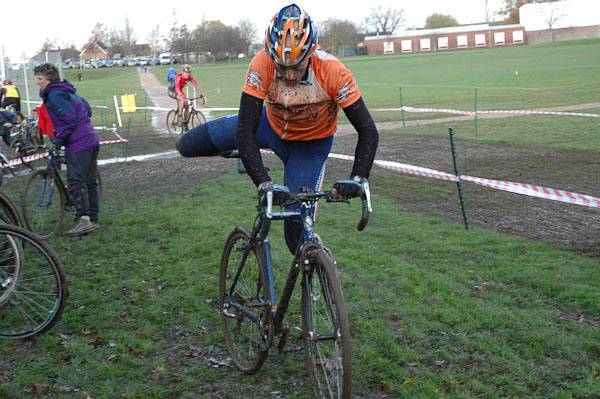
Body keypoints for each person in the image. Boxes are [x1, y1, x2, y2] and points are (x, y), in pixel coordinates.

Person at [177, 3, 379, 254]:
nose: (291, 75)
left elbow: (368, 130)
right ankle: (245, 154)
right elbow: (245, 129)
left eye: (298, 66)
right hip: (268, 127)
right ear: (270, 53)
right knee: (187, 146)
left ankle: (248, 154)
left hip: (310, 149)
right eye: (282, 67)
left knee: (296, 241)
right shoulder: (261, 64)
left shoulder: (333, 72)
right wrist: (262, 180)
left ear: (312, 52)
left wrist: (359, 177)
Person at [33, 63, 101, 237]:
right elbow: (87, 109)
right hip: (91, 138)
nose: (37, 83)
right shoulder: (68, 90)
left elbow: (69, 118)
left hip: (79, 143)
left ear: (49, 79)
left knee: (76, 182)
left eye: (39, 79)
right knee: (89, 182)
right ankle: (93, 219)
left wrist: (58, 139)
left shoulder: (54, 94)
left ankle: (83, 220)